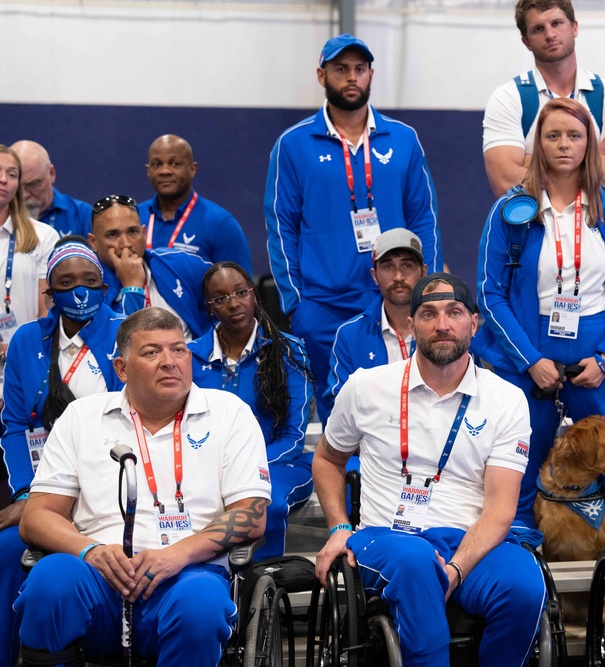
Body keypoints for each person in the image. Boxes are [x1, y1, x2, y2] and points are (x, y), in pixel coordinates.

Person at [14, 308, 270, 666]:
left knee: (201, 605)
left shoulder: (230, 413)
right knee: (51, 580)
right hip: (97, 575)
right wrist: (90, 550)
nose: (170, 362)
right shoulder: (82, 417)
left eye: (179, 350)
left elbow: (251, 514)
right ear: (121, 368)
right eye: (152, 352)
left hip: (188, 572)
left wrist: (176, 555)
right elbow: (37, 516)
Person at [313, 273, 545, 667]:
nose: (442, 325)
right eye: (428, 313)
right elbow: (327, 458)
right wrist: (338, 527)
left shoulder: (506, 399)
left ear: (474, 322)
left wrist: (455, 570)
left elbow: (501, 510)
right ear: (410, 325)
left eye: (454, 312)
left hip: (469, 540)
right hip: (387, 538)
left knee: (524, 587)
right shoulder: (366, 386)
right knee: (416, 561)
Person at [477, 97, 605, 527]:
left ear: (590, 143)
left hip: (600, 359)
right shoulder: (510, 211)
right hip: (528, 358)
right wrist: (530, 361)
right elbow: (489, 293)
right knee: (516, 475)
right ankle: (521, 574)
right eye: (553, 136)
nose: (564, 145)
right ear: (538, 144)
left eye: (575, 135)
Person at [265, 33, 442, 423]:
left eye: (359, 69)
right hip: (323, 305)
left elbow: (424, 217)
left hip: (396, 298)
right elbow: (281, 229)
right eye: (341, 69)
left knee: (414, 402)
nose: (351, 77)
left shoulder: (404, 139)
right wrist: (297, 305)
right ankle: (344, 485)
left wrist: (429, 291)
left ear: (370, 74)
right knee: (339, 411)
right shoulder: (293, 144)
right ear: (321, 75)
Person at [0, 238, 125, 665]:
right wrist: (27, 496)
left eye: (90, 281)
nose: (80, 291)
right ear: (49, 292)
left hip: (109, 488)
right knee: (8, 550)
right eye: (66, 283)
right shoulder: (26, 340)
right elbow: (16, 426)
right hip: (43, 487)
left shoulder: (128, 334)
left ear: (105, 284)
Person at [189, 261, 313, 560]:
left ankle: (265, 575)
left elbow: (294, 436)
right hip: (208, 467)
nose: (233, 303)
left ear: (253, 294)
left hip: (278, 465)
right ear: (209, 307)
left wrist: (245, 470)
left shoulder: (289, 351)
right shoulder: (189, 356)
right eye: (220, 298)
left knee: (264, 503)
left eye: (240, 292)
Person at [483, 0, 605, 196]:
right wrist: (593, 159)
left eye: (557, 23)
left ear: (574, 27)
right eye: (538, 29)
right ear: (526, 42)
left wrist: (534, 161)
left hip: (596, 224)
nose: (550, 35)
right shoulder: (507, 98)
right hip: (535, 225)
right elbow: (504, 181)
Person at [325, 228, 428, 408]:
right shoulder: (350, 335)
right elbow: (338, 404)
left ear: (423, 272)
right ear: (374, 275)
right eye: (388, 266)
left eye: (407, 265)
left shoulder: (445, 329)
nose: (398, 277)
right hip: (373, 434)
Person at [88, 194, 211, 340]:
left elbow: (232, 290)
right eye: (113, 235)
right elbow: (123, 348)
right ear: (93, 242)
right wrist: (132, 287)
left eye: (132, 232)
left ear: (144, 233)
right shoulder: (89, 291)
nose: (126, 243)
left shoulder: (180, 264)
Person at [139, 135, 252, 272]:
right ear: (148, 171)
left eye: (175, 163)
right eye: (157, 164)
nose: (165, 171)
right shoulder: (134, 218)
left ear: (193, 168)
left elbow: (240, 288)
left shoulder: (220, 224)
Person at [0, 145, 59, 388]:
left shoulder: (43, 236)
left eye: (12, 174)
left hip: (23, 359)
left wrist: (20, 346)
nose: (3, 179)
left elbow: (45, 311)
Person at [9, 141, 91, 238]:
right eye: (17, 186)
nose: (23, 194)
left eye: (33, 184)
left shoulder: (82, 216)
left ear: (51, 174)